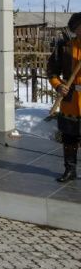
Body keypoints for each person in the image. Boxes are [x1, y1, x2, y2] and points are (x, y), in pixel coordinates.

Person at [47, 12, 81, 183]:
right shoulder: (65, 47)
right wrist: (59, 85)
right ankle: (70, 170)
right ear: (75, 28)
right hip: (70, 100)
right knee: (69, 137)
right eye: (80, 27)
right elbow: (51, 71)